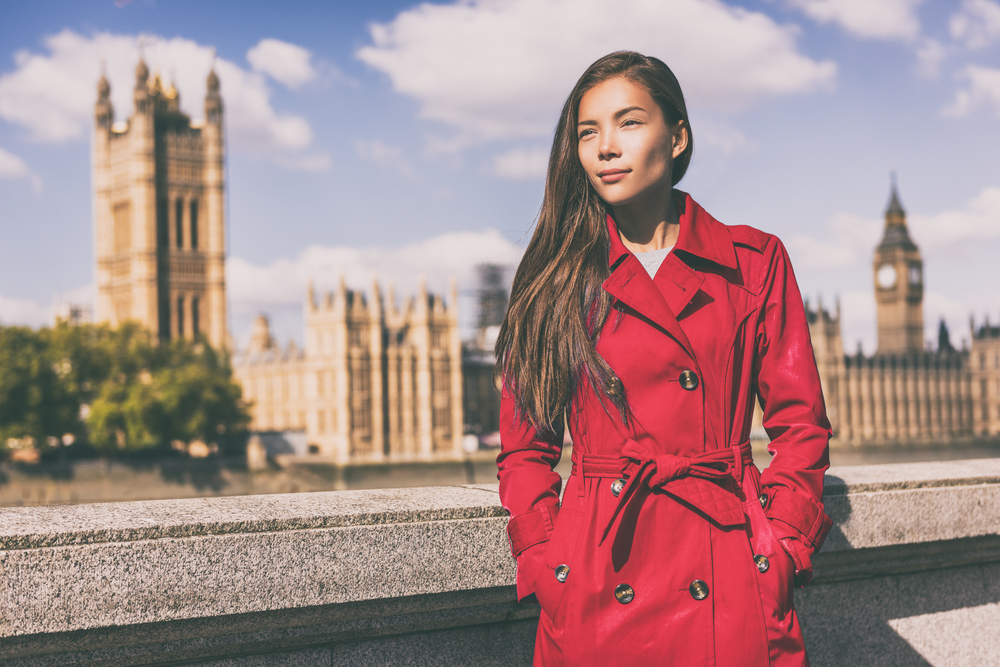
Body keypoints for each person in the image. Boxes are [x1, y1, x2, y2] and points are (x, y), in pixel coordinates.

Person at [494, 51, 833, 666]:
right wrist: (547, 558)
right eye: (587, 132)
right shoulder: (554, 280)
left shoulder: (753, 264)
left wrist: (781, 547)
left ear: (677, 137)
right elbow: (524, 449)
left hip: (725, 567)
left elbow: (801, 424)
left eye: (628, 122)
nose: (605, 147)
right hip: (599, 566)